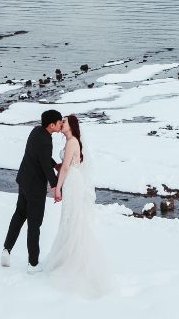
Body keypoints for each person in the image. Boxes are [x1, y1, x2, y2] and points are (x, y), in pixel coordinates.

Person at [42, 114, 111, 297]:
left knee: (72, 219)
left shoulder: (72, 141)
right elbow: (65, 165)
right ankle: (67, 258)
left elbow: (66, 168)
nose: (61, 124)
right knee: (70, 219)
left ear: (71, 125)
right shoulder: (70, 142)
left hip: (72, 182)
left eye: (64, 122)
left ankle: (74, 260)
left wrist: (57, 189)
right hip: (72, 180)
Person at [1, 109, 64, 270]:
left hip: (24, 180)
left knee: (19, 215)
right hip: (35, 187)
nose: (61, 124)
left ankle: (6, 250)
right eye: (59, 122)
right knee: (34, 224)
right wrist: (56, 185)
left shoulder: (36, 131)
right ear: (51, 125)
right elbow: (44, 164)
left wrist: (55, 164)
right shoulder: (46, 141)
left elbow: (41, 156)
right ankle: (33, 264)